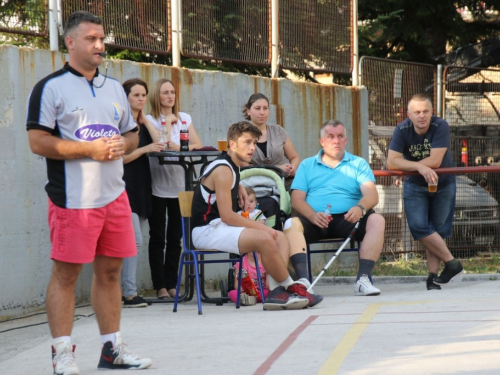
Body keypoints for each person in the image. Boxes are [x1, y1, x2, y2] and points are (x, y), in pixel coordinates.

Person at [26, 11, 152, 374]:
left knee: (111, 273)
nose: (100, 45)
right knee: (66, 276)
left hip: (114, 196)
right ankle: (62, 354)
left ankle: (111, 350)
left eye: (102, 38)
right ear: (70, 42)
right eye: (91, 39)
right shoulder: (50, 88)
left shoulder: (114, 88)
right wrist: (89, 150)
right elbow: (38, 141)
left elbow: (131, 134)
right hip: (73, 201)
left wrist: (121, 144)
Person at [191, 121, 323, 310]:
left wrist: (240, 186)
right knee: (266, 237)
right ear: (232, 144)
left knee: (281, 239)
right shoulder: (223, 170)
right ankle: (289, 286)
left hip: (220, 226)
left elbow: (226, 188)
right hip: (206, 230)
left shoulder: (231, 166)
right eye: (247, 142)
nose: (252, 148)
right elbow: (227, 216)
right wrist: (263, 228)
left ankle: (275, 290)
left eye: (254, 142)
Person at [284, 120, 386, 296]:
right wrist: (312, 215)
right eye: (330, 136)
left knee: (377, 220)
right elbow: (297, 200)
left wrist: (360, 208)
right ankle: (303, 282)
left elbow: (372, 195)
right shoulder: (307, 165)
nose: (336, 141)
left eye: (340, 136)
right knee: (291, 223)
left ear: (345, 140)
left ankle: (363, 279)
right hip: (315, 219)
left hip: (349, 219)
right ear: (322, 141)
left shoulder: (358, 164)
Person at [387, 93, 464, 290]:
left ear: (432, 113)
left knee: (437, 230)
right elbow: (391, 161)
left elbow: (435, 161)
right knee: (419, 225)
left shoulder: (441, 126)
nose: (421, 116)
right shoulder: (401, 129)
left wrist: (406, 168)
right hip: (415, 184)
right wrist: (418, 169)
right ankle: (452, 263)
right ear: (408, 115)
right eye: (417, 112)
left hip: (443, 183)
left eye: (425, 111)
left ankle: (432, 278)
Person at [146, 78, 203, 299]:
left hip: (181, 186)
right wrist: (167, 123)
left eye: (172, 92)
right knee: (157, 236)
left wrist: (178, 146)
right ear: (156, 96)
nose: (170, 96)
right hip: (158, 186)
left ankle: (172, 283)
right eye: (165, 92)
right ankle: (159, 285)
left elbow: (198, 145)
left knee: (176, 237)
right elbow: (160, 145)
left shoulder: (185, 118)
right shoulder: (150, 119)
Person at [121, 78, 165, 307]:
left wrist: (146, 121)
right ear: (125, 97)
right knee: (134, 241)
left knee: (133, 241)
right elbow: (121, 158)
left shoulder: (144, 124)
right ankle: (129, 293)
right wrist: (144, 149)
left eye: (143, 95)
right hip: (123, 188)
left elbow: (160, 144)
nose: (140, 99)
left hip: (142, 189)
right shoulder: (120, 124)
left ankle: (127, 291)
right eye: (135, 95)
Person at [243, 93, 300, 190]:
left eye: (265, 108)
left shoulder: (278, 131)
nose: (262, 112)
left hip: (286, 181)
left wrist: (292, 168)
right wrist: (276, 170)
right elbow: (243, 165)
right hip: (257, 185)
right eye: (257, 108)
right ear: (248, 111)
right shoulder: (242, 135)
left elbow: (294, 157)